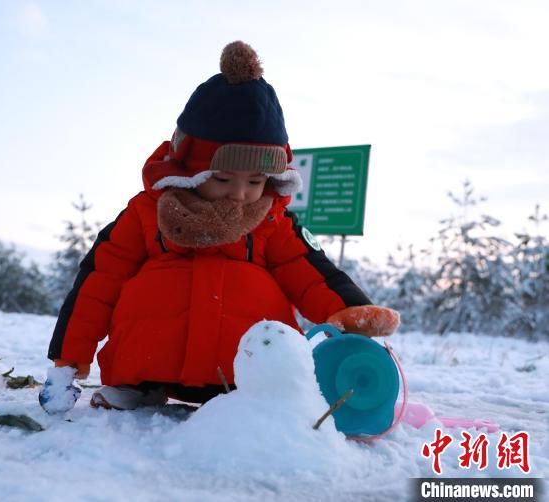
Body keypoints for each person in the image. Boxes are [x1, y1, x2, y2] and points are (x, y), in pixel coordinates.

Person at [39, 41, 400, 414]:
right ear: (190, 170)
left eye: (256, 181)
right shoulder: (149, 214)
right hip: (147, 361)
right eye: (224, 179)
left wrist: (350, 310)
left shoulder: (272, 222)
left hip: (241, 374)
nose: (241, 195)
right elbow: (100, 282)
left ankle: (251, 394)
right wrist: (69, 356)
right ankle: (137, 387)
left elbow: (310, 274)